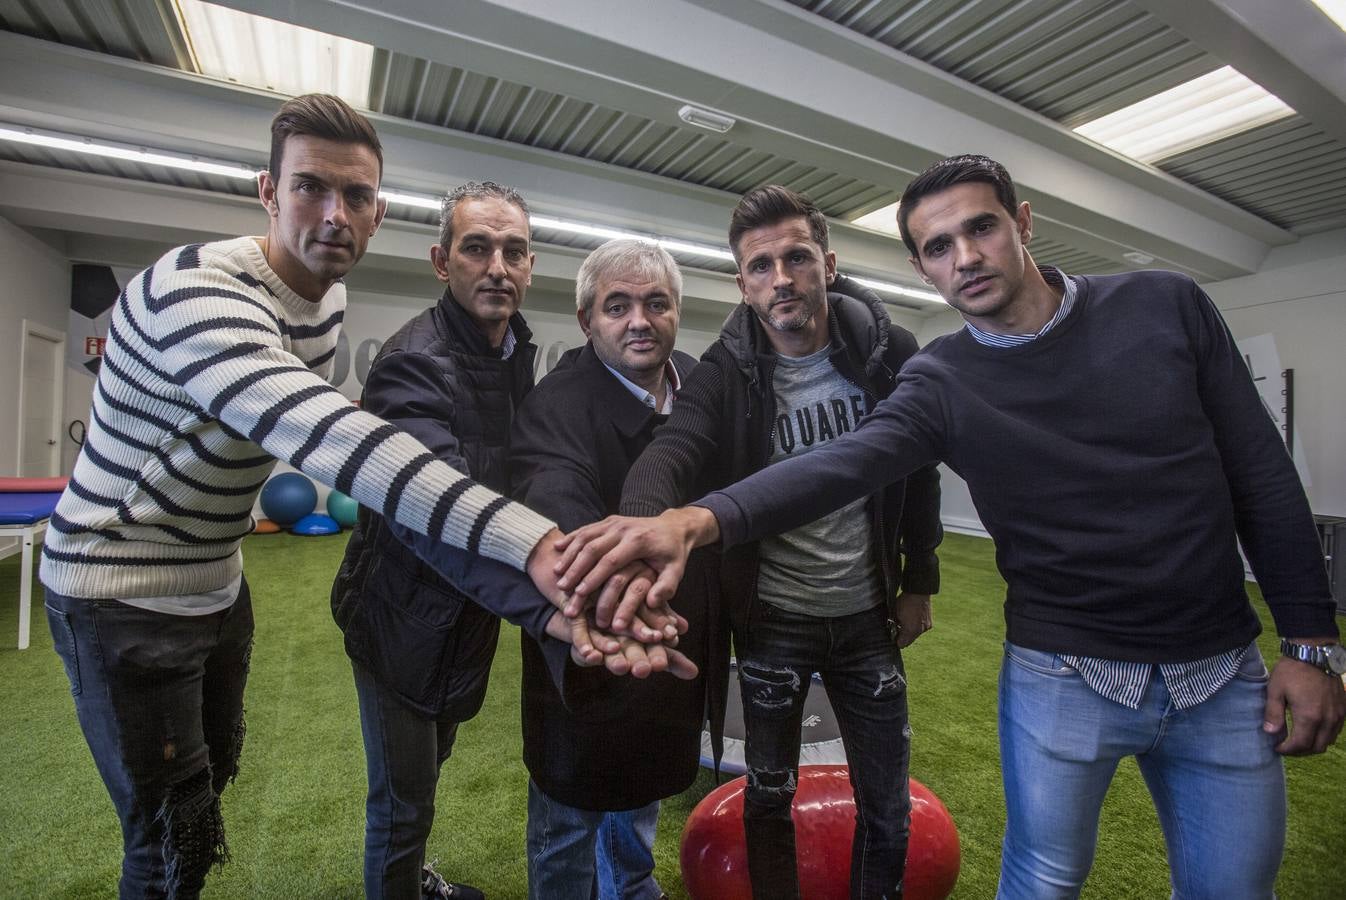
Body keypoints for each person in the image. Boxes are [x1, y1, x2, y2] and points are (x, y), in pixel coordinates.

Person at [555, 156, 1346, 899]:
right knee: (1026, 874)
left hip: (1211, 669)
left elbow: (1262, 472)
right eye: (939, 245)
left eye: (982, 228)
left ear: (1023, 222)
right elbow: (822, 462)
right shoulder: (919, 375)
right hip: (1042, 666)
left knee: (1232, 889)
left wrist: (1311, 639)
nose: (965, 256)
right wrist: (677, 523)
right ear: (921, 267)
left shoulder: (1155, 306)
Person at [37, 95, 656, 900]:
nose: (335, 215)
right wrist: (542, 559)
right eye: (309, 188)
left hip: (218, 579)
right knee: (168, 838)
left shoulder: (325, 304)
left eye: (356, 197)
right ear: (268, 191)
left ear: (378, 210)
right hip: (120, 591)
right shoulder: (195, 296)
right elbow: (342, 442)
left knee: (209, 783)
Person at [597, 186, 944, 899]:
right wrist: (638, 532)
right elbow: (672, 451)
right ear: (742, 284)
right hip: (774, 621)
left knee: (885, 798)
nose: (780, 277)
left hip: (867, 617)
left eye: (797, 257)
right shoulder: (727, 372)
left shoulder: (885, 353)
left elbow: (919, 466)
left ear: (829, 264)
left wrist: (921, 579)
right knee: (767, 792)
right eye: (760, 266)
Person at [510, 239, 707, 900]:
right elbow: (558, 498)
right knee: (569, 810)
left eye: (656, 303)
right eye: (616, 306)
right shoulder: (557, 402)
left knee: (642, 790)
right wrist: (626, 596)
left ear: (677, 311)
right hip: (586, 646)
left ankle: (630, 886)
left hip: (674, 639)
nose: (639, 321)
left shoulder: (698, 388)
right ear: (586, 320)